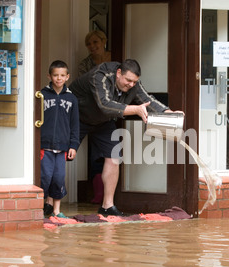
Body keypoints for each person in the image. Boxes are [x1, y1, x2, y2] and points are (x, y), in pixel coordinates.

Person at [69, 59, 183, 216]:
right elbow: (105, 104)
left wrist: (168, 113)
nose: (131, 85)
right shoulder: (100, 76)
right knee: (60, 155)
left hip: (102, 121)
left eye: (134, 81)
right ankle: (49, 204)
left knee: (114, 157)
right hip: (77, 117)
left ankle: (107, 206)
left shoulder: (133, 85)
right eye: (128, 80)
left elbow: (146, 100)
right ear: (118, 73)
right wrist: (135, 109)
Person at [41, 60, 80, 218]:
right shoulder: (41, 95)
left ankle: (56, 210)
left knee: (58, 178)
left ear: (67, 77)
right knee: (44, 177)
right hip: (45, 146)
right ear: (49, 76)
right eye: (55, 75)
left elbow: (75, 124)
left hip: (62, 147)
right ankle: (41, 207)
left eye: (62, 75)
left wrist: (74, 145)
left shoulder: (72, 99)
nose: (58, 78)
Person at [78, 30, 112, 204]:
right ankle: (98, 193)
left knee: (112, 154)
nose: (92, 46)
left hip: (111, 114)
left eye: (95, 42)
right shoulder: (85, 64)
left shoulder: (114, 60)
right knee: (95, 154)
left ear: (104, 41)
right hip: (91, 112)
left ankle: (108, 199)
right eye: (89, 44)